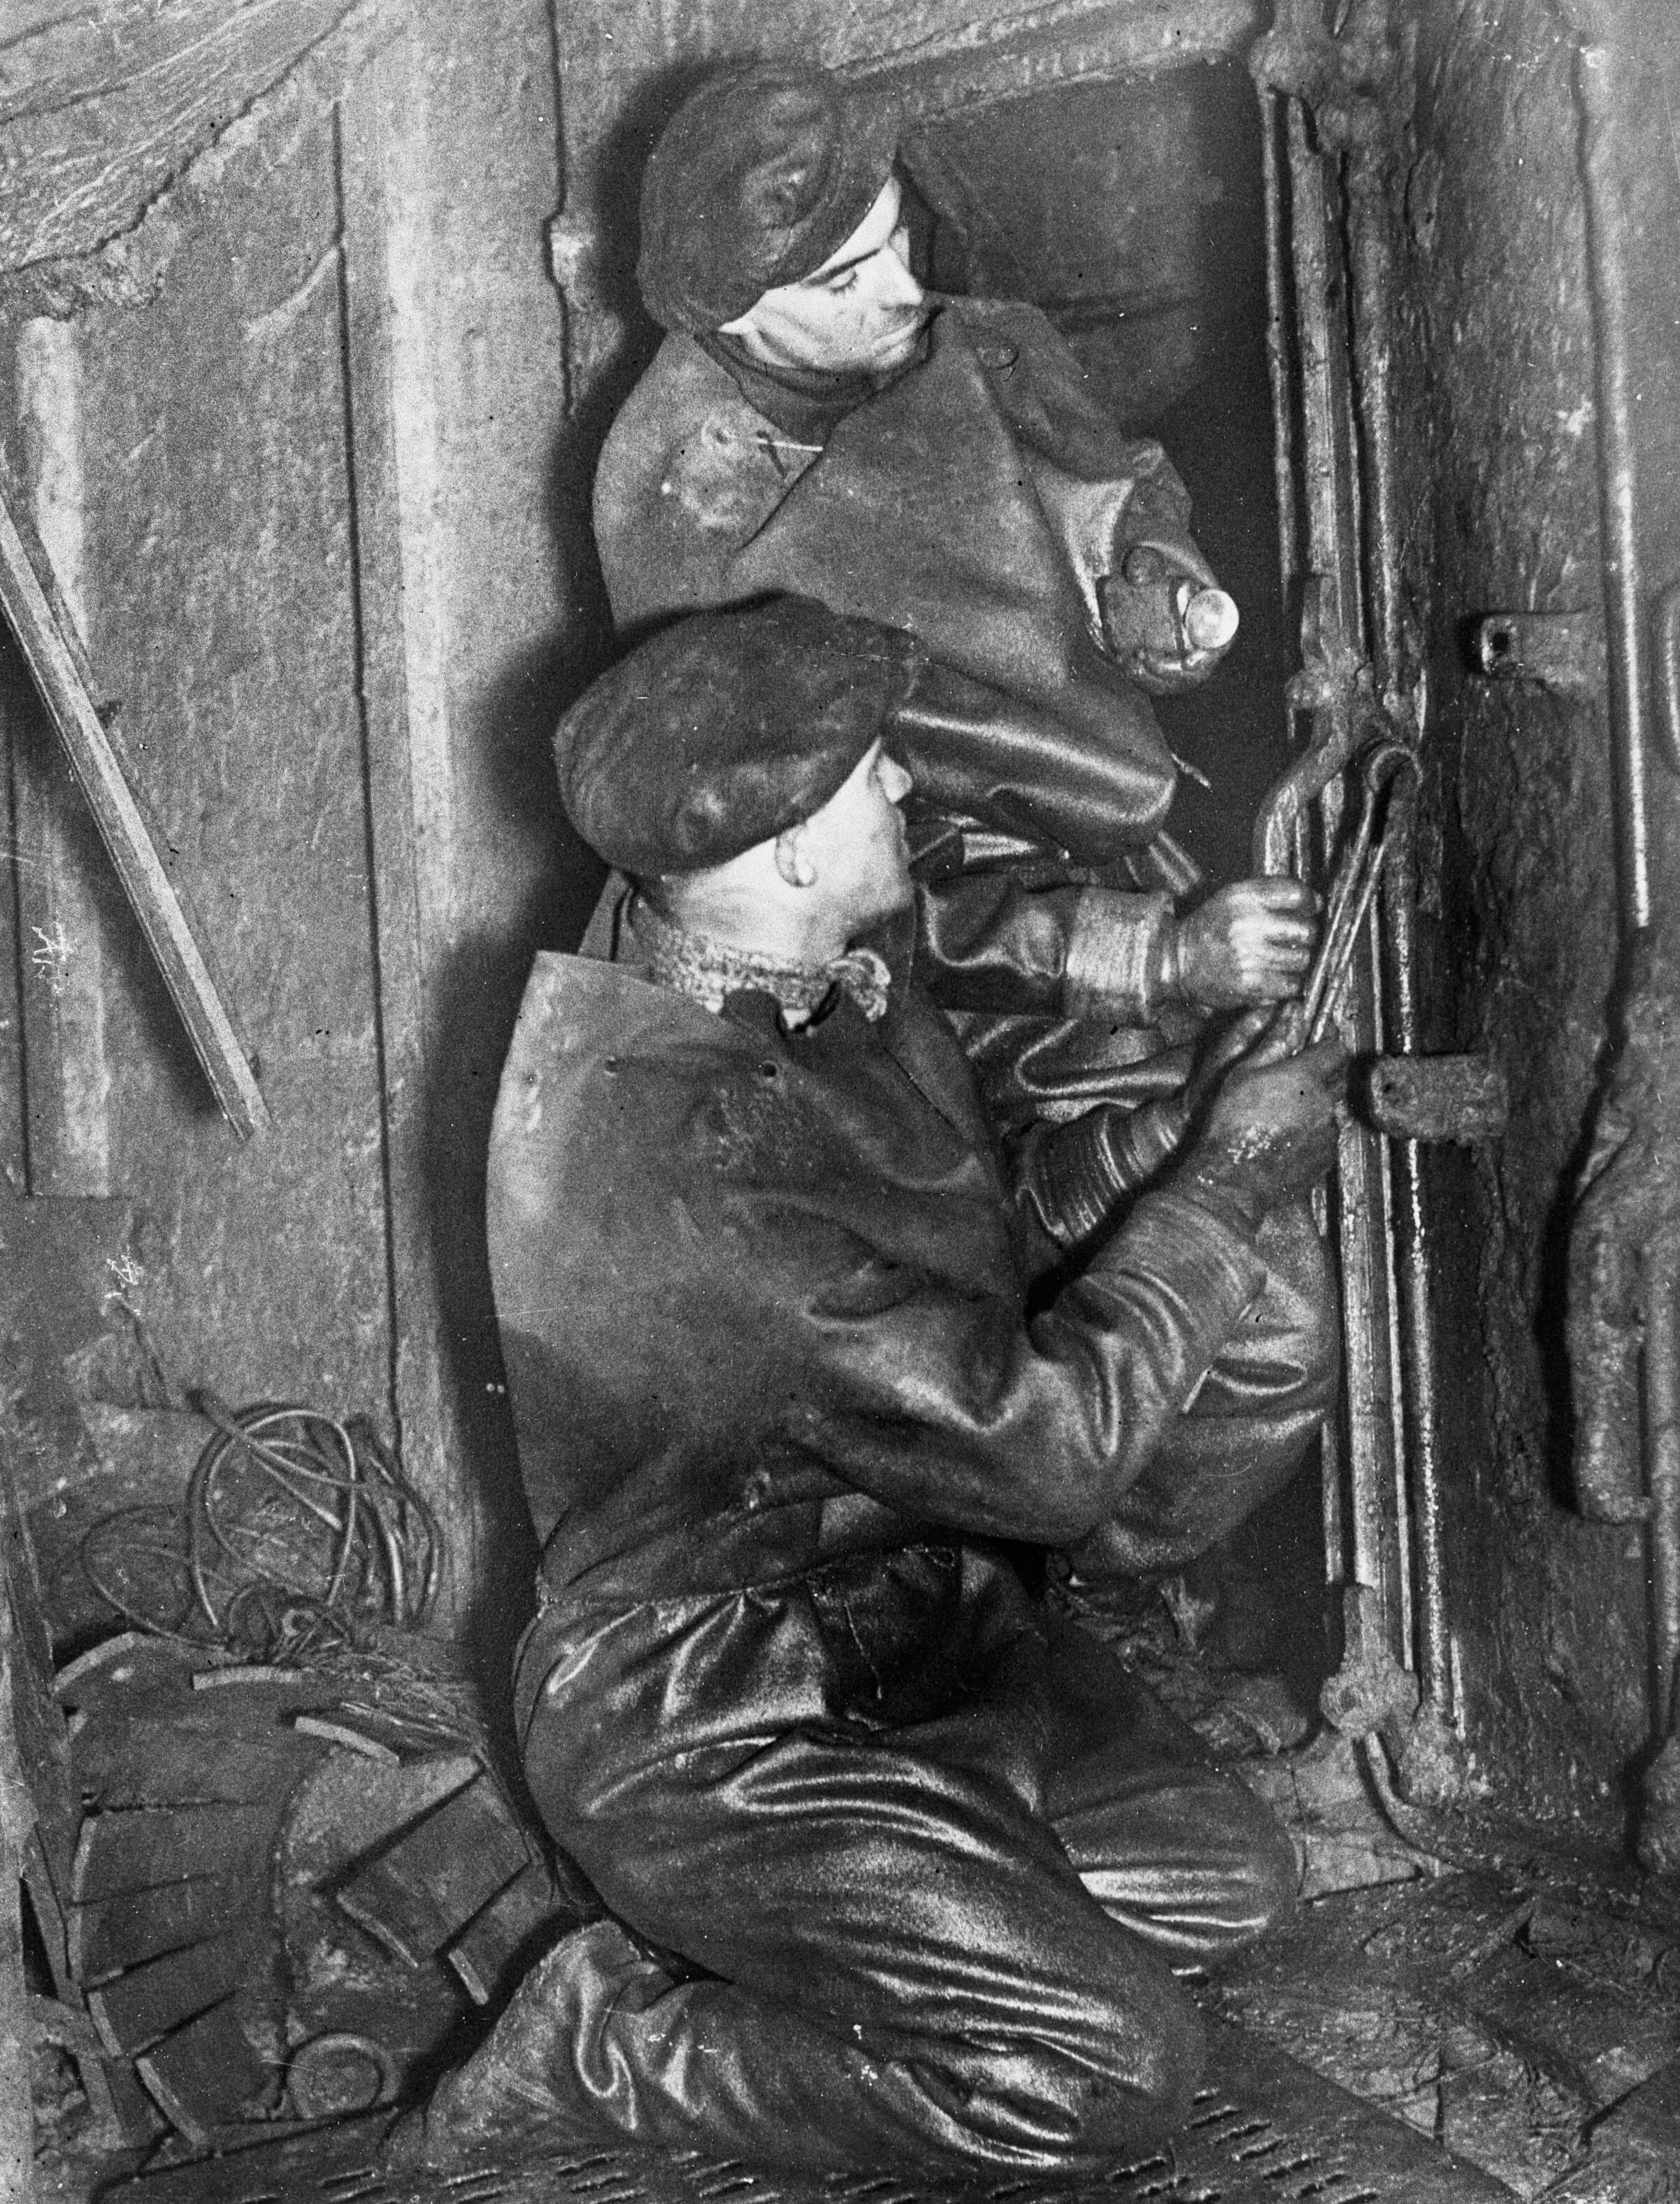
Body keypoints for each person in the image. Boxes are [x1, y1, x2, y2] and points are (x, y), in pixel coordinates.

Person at [404, 598, 1344, 2179]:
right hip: (717, 1706)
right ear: (779, 847)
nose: (903, 793)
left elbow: (960, 1253)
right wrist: (1227, 1187)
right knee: (1104, 2076)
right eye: (873, 778)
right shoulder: (679, 1161)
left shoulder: (783, 958)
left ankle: (873, 1924)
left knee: (1218, 1881)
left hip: (911, 1631)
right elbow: (1047, 1452)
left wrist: (1159, 1136)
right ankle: (604, 2040)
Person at [593, 62, 1322, 1155]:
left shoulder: (942, 336)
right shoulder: (694, 527)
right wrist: (1155, 958)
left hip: (1123, 827)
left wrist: (1150, 577)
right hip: (1001, 993)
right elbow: (847, 895)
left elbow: (1105, 477)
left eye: (896, 239)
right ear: (734, 320)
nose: (902, 290)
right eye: (846, 279)